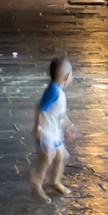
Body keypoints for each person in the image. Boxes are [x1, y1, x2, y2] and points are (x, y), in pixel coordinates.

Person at [29, 56, 74, 200]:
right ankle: (36, 183)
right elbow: (40, 108)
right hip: (46, 132)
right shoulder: (54, 90)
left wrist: (70, 126)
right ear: (67, 76)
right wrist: (38, 126)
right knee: (48, 157)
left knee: (63, 156)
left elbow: (61, 113)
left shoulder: (59, 91)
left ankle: (55, 181)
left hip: (55, 133)